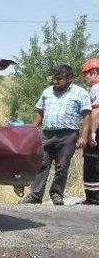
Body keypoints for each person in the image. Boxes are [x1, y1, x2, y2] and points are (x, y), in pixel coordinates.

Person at [21, 64, 92, 205]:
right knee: (41, 164)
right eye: (54, 78)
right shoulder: (47, 91)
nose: (55, 81)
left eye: (59, 79)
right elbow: (39, 110)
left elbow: (86, 115)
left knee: (62, 166)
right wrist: (32, 130)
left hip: (68, 135)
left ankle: (56, 194)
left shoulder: (80, 93)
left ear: (70, 78)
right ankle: (35, 195)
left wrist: (84, 137)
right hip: (46, 134)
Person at [81, 58, 99, 204]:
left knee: (92, 160)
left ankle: (94, 196)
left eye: (86, 74)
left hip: (97, 129)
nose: (85, 78)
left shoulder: (96, 88)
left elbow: (96, 111)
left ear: (94, 73)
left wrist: (92, 133)